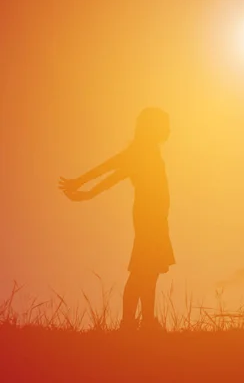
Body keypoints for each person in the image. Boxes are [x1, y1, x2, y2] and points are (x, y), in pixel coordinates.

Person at [58, 107, 174, 331]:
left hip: (157, 218)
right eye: (164, 124)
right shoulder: (139, 152)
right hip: (149, 217)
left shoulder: (149, 151)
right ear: (153, 127)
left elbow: (112, 175)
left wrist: (85, 190)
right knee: (142, 269)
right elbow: (109, 169)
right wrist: (81, 186)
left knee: (150, 271)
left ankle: (147, 321)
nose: (169, 129)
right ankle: (129, 323)